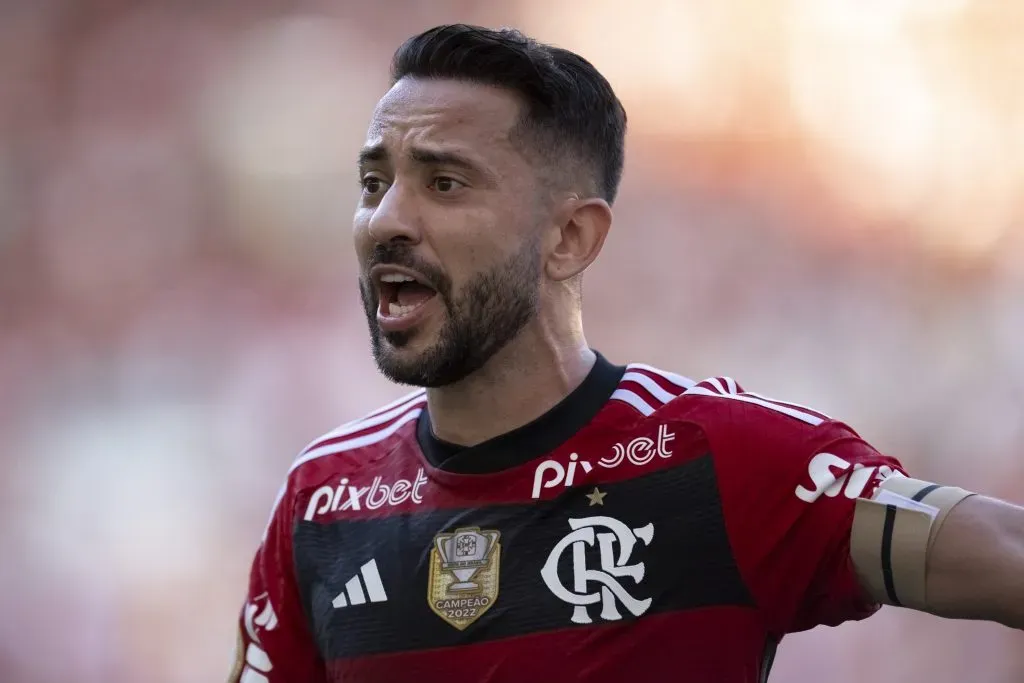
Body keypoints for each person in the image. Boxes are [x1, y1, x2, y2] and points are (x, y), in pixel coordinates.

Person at [227, 24, 1024, 683]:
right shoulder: (321, 505)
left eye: (443, 184)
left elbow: (1002, 549)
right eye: (373, 182)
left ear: (570, 237)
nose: (385, 220)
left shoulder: (715, 457)